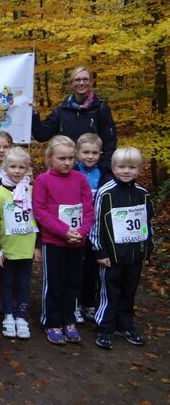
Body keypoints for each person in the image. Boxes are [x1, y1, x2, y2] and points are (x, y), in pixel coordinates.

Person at [90, 147, 154, 350]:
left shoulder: (143, 194)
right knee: (109, 291)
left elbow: (146, 223)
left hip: (134, 254)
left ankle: (125, 325)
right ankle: (105, 327)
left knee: (129, 290)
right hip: (111, 255)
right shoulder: (105, 193)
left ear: (139, 169)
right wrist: (100, 250)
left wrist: (148, 248)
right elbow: (96, 223)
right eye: (122, 167)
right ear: (113, 168)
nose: (127, 171)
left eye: (132, 167)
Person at [33, 136, 94, 345]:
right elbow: (40, 211)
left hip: (78, 242)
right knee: (55, 282)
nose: (67, 162)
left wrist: (82, 232)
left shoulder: (80, 179)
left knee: (73, 282)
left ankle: (69, 320)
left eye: (70, 158)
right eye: (61, 158)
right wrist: (64, 231)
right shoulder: (43, 180)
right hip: (55, 242)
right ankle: (52, 321)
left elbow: (88, 209)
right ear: (50, 158)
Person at [0, 147, 39, 340]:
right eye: (13, 167)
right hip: (7, 250)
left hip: (26, 248)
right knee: (6, 283)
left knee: (24, 284)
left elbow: (39, 220)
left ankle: (21, 317)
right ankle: (8, 316)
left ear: (27, 169)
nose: (17, 171)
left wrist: (37, 247)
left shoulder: (32, 191)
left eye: (21, 167)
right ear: (5, 168)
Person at [31, 66, 117, 173]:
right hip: (67, 169)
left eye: (85, 79)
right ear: (72, 83)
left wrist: (105, 167)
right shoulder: (62, 110)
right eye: (77, 80)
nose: (81, 83)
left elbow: (110, 141)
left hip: (94, 170)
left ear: (91, 82)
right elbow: (41, 135)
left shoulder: (101, 109)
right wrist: (34, 114)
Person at [75, 133, 107, 321]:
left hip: (96, 229)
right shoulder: (73, 171)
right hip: (76, 228)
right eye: (86, 152)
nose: (90, 156)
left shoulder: (104, 173)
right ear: (78, 153)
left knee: (92, 269)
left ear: (100, 154)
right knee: (76, 268)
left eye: (94, 153)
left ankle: (89, 303)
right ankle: (76, 303)